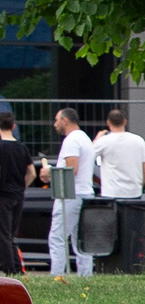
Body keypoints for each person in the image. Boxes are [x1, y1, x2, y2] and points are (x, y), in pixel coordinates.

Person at [41, 108, 95, 277]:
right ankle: (85, 275)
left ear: (65, 120)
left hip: (70, 194)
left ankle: (57, 275)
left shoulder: (71, 140)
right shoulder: (84, 138)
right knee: (80, 240)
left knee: (57, 237)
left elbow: (72, 169)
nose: (54, 124)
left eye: (56, 120)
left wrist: (49, 172)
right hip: (85, 192)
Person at [91, 109, 145, 200]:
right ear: (125, 122)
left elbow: (89, 154)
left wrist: (97, 138)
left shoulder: (103, 141)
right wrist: (140, 186)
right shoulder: (139, 140)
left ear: (108, 123)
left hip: (111, 192)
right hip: (134, 192)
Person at [0, 109, 30, 275]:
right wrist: (22, 185)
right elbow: (31, 171)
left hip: (3, 195)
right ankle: (18, 267)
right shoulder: (21, 148)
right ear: (13, 126)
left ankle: (9, 267)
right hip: (18, 194)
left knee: (3, 233)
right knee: (12, 233)